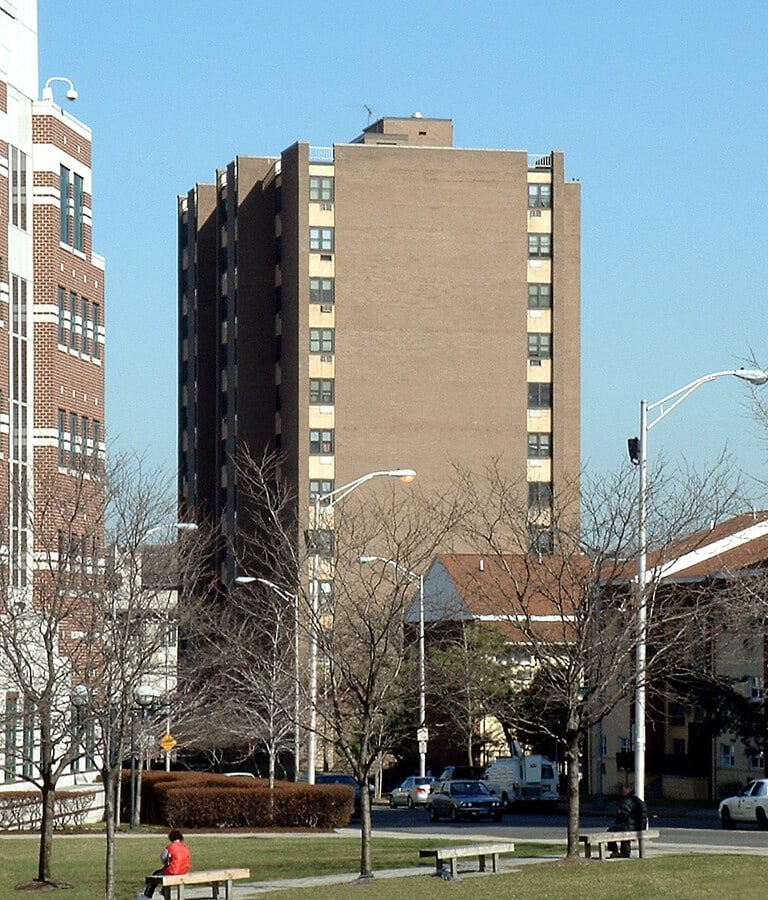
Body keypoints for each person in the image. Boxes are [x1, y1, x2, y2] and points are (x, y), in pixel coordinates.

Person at [141, 829, 191, 899]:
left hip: (173, 871)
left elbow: (163, 858)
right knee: (165, 874)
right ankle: (164, 891)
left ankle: (147, 896)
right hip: (184, 870)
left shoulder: (170, 847)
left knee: (155, 875)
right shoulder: (185, 847)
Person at [607, 786, 648, 858]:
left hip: (631, 827)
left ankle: (615, 851)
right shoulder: (639, 801)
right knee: (623, 829)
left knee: (611, 831)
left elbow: (622, 814)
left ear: (626, 792)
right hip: (640, 828)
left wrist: (618, 817)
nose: (622, 793)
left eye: (623, 791)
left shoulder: (627, 801)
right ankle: (625, 853)